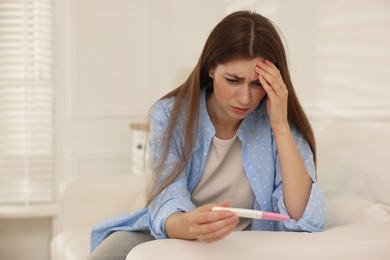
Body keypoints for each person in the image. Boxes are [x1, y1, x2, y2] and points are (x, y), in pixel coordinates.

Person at [87, 10, 326, 260]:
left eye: (257, 84)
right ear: (211, 68)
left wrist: (280, 126)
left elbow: (302, 217)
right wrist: (191, 225)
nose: (245, 98)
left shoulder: (280, 123)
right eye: (233, 80)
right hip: (177, 233)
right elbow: (167, 197)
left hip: (247, 242)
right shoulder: (169, 115)